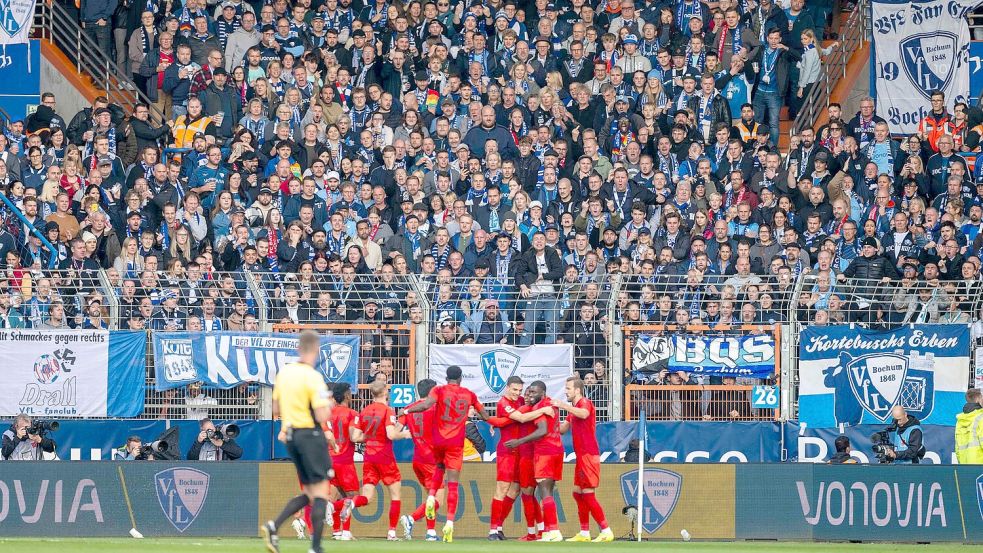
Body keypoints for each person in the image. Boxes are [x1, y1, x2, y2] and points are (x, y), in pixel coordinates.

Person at [263, 330, 334, 553]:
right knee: (323, 492)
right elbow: (322, 416)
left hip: (291, 436)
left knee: (311, 493)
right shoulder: (312, 376)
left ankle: (274, 525)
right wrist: (328, 405)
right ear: (316, 350)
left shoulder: (284, 373)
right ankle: (315, 547)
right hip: (310, 435)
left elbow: (275, 409)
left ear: (298, 349)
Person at [403, 365, 491, 542]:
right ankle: (417, 519)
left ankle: (430, 532)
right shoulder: (460, 398)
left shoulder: (423, 402)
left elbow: (395, 432)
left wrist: (406, 411)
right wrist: (492, 421)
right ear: (460, 378)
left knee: (434, 488)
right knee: (445, 492)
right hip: (448, 447)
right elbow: (484, 415)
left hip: (421, 455)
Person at [341, 380, 409, 540]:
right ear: (385, 393)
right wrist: (405, 434)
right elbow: (391, 434)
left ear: (372, 393)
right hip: (384, 456)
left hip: (369, 457)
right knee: (395, 494)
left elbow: (355, 437)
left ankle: (351, 503)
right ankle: (392, 532)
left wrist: (369, 437)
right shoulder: (388, 411)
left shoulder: (363, 411)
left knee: (367, 498)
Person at [502, 380, 564, 542]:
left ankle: (552, 531)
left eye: (533, 392)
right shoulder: (549, 403)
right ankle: (547, 531)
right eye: (528, 392)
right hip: (556, 450)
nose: (530, 395)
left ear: (542, 394)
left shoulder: (538, 408)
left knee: (542, 492)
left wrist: (518, 441)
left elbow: (541, 430)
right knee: (545, 491)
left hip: (544, 452)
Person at [555, 376, 614, 542]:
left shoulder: (584, 403)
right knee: (577, 493)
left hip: (589, 454)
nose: (565, 391)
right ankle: (584, 532)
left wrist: (563, 406)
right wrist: (545, 419)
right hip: (581, 456)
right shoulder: (573, 409)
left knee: (588, 493)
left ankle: (606, 530)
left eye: (568, 388)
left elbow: (584, 413)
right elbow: (563, 429)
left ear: (577, 390)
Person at [398, 378, 444, 541]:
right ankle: (411, 518)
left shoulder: (409, 409)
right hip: (432, 460)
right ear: (433, 392)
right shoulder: (435, 408)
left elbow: (396, 431)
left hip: (417, 459)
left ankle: (431, 533)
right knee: (438, 499)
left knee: (430, 498)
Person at [323, 382, 363, 541]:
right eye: (350, 393)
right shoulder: (353, 414)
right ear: (346, 396)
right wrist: (366, 437)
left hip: (329, 459)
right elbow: (354, 436)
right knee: (352, 496)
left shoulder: (327, 414)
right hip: (344, 460)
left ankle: (336, 531)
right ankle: (345, 531)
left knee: (336, 494)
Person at [955, 388, 983, 464]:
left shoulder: (960, 421)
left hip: (965, 466)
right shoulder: (981, 418)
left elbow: (957, 449)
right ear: (978, 399)